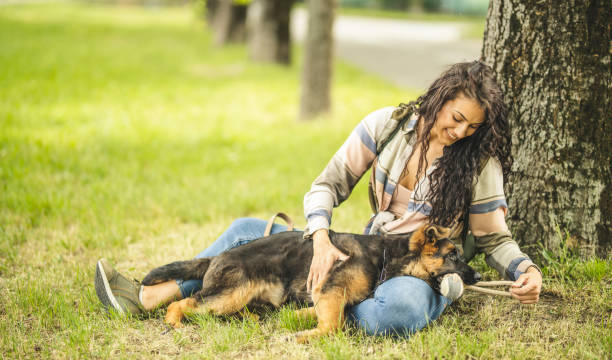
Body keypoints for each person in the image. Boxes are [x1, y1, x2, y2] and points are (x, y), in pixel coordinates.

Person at [95, 61, 542, 336]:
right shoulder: (387, 126)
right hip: (368, 253)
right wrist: (322, 238)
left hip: (414, 274)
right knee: (245, 232)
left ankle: (324, 303)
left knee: (399, 311)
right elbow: (326, 186)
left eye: (472, 127)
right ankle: (155, 294)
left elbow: (492, 237)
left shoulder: (479, 164)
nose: (461, 132)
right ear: (441, 98)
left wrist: (524, 269)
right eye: (457, 118)